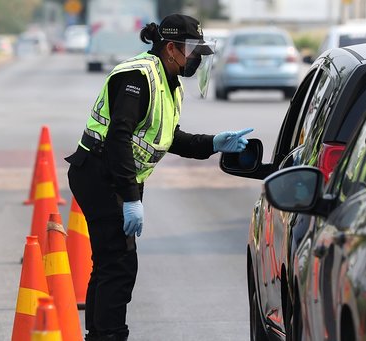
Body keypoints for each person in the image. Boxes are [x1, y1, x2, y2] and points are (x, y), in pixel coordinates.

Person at [65, 14, 253, 341]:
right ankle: (108, 335)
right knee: (120, 266)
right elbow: (118, 139)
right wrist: (131, 198)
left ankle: (98, 334)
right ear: (170, 48)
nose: (196, 59)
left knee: (110, 262)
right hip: (99, 173)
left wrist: (212, 143)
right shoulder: (138, 78)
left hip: (112, 175)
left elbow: (168, 136)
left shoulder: (168, 82)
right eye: (192, 50)